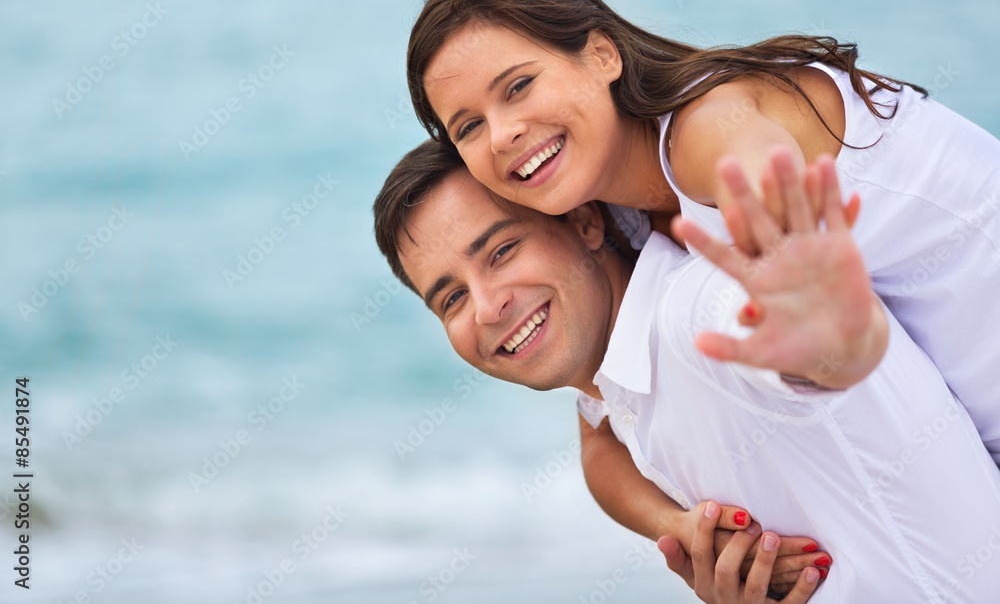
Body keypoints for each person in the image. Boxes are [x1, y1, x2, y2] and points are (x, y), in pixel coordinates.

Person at [405, 0, 1000, 475]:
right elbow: (601, 437)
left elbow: (759, 175)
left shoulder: (707, 129)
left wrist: (812, 312)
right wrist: (685, 532)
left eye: (518, 86)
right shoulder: (618, 213)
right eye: (470, 127)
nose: (504, 134)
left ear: (601, 55)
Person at [372, 140, 1000, 602]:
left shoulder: (696, 316)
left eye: (502, 251)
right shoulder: (619, 384)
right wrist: (684, 530)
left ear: (588, 223)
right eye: (450, 297)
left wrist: (819, 341)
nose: (486, 307)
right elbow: (598, 439)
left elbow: (776, 343)